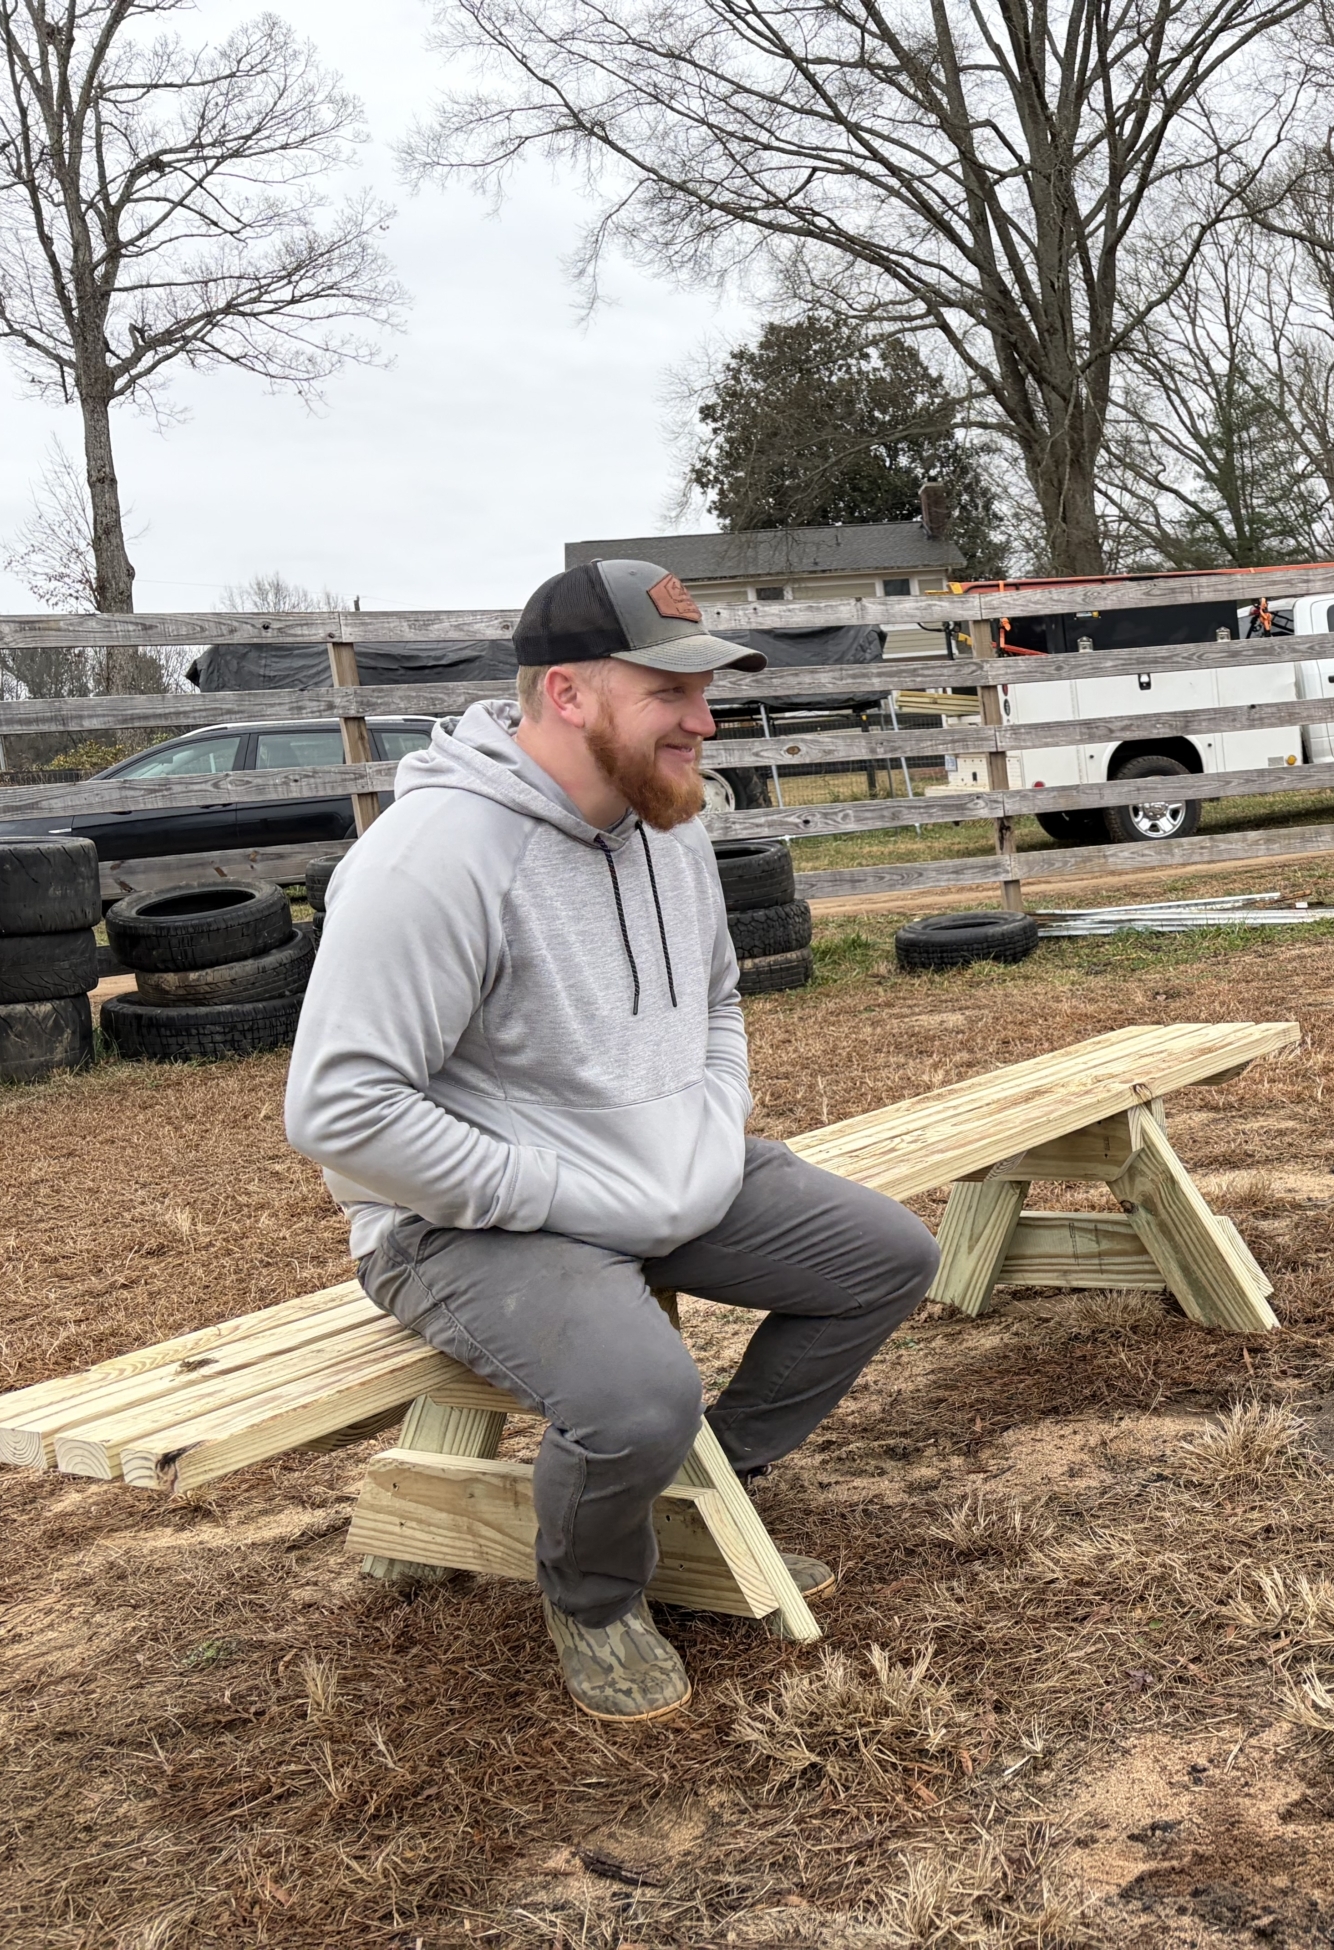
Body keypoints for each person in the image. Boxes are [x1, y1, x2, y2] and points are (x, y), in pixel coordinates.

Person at [284, 559, 939, 1722]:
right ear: (568, 693)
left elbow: (718, 999)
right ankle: (594, 1596)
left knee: (884, 1259)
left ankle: (700, 1498)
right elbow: (340, 1111)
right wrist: (554, 1187)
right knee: (638, 1399)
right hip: (465, 1221)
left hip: (667, 1174)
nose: (703, 720)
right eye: (669, 692)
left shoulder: (666, 818)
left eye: (705, 691)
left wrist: (711, 1122)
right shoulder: (434, 858)